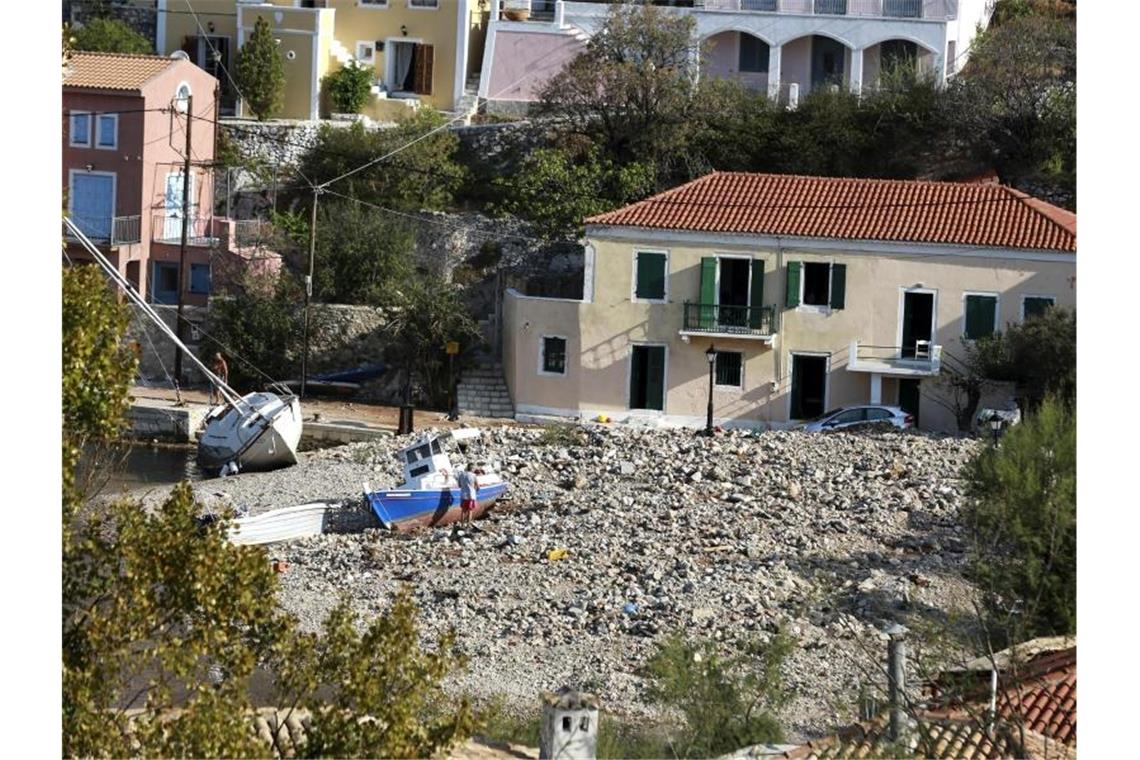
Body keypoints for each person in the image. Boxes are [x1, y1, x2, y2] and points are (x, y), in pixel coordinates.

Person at [455, 462, 480, 530]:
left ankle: (462, 524)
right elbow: (478, 486)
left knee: (463, 510)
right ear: (472, 468)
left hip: (463, 495)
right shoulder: (473, 475)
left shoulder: (461, 475)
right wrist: (476, 489)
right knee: (470, 510)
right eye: (474, 468)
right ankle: (468, 525)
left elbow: (459, 485)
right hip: (471, 495)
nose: (475, 469)